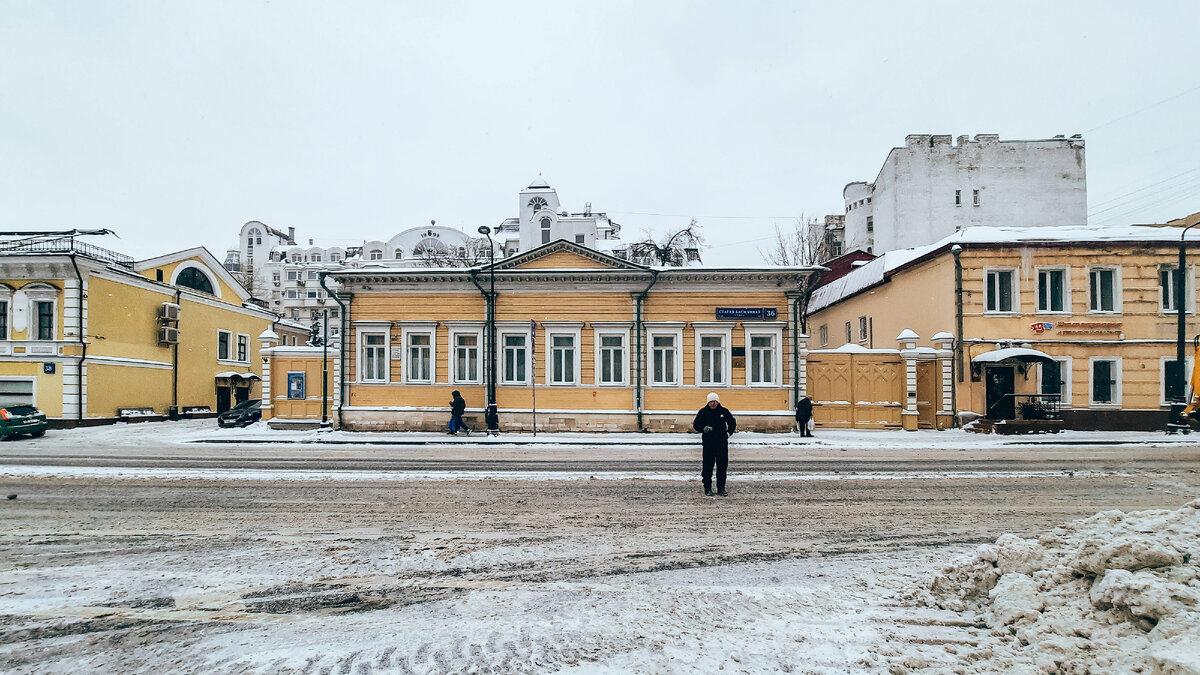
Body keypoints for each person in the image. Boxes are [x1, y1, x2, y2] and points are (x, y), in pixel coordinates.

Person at [692, 392, 737, 497]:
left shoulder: (723, 411)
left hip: (721, 444)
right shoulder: (703, 412)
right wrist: (703, 428)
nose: (713, 403)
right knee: (708, 467)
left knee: (722, 467)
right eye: (711, 401)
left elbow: (732, 422)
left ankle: (721, 488)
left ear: (718, 402)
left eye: (715, 401)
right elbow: (696, 424)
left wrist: (728, 433)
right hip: (708, 445)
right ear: (708, 402)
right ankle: (707, 488)